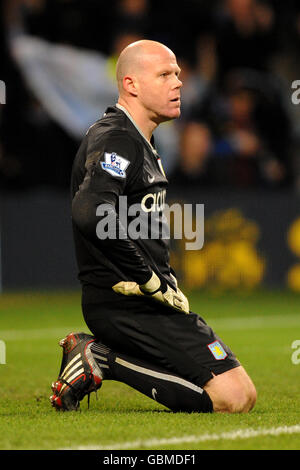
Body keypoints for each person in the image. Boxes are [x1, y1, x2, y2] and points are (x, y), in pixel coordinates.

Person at [50, 40, 256, 413]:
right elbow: (90, 210)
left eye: (177, 74)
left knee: (241, 394)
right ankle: (100, 357)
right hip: (127, 305)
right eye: (164, 74)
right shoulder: (117, 138)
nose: (178, 82)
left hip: (145, 303)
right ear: (131, 84)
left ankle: (102, 356)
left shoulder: (141, 141)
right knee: (234, 398)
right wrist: (148, 277)